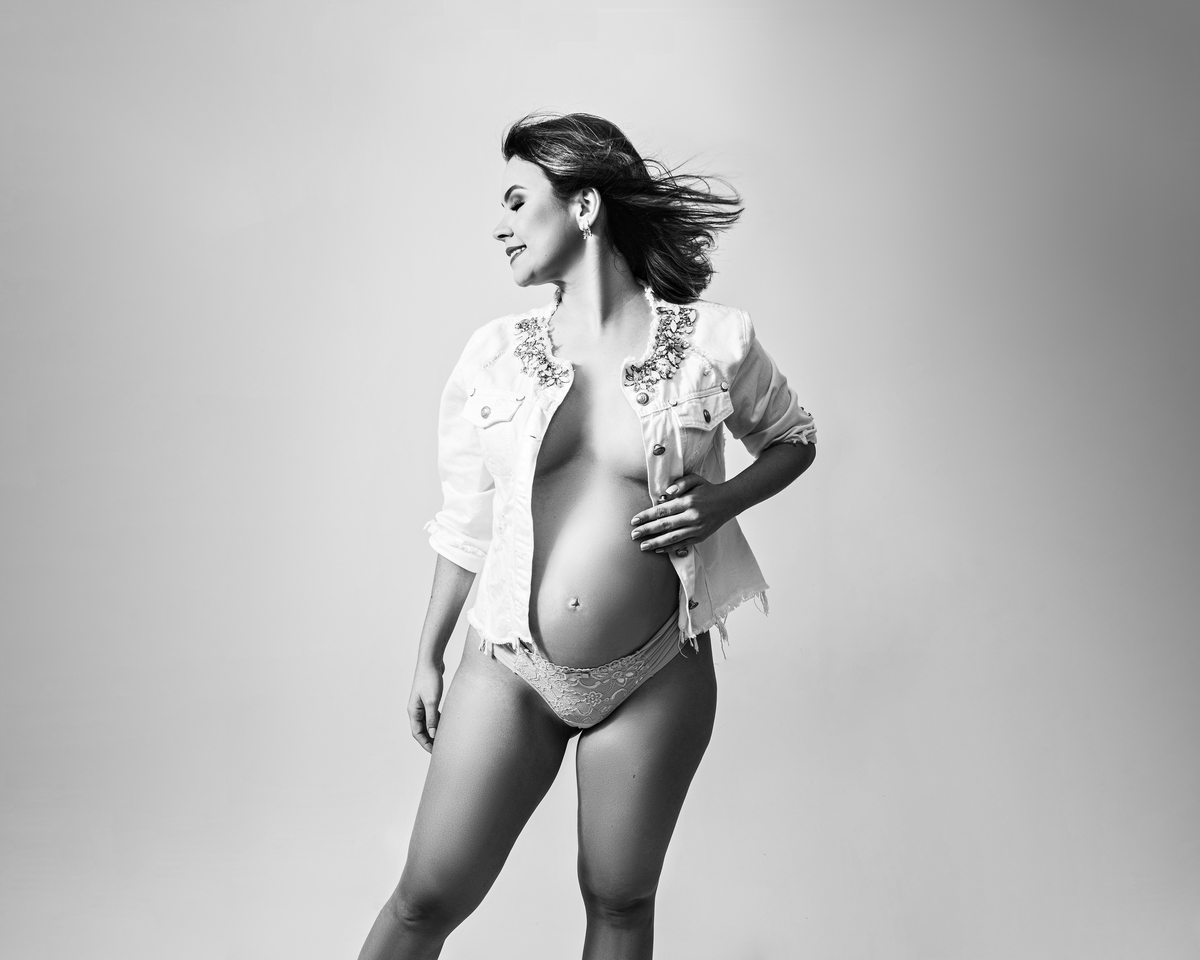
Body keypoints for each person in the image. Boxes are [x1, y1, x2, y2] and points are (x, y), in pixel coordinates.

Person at [358, 113, 816, 960]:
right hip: (510, 668)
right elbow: (466, 520)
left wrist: (722, 503)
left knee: (620, 900)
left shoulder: (713, 343)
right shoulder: (494, 356)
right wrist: (427, 654)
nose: (500, 225)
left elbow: (795, 437)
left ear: (584, 206)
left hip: (658, 671)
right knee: (424, 900)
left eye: (516, 200)